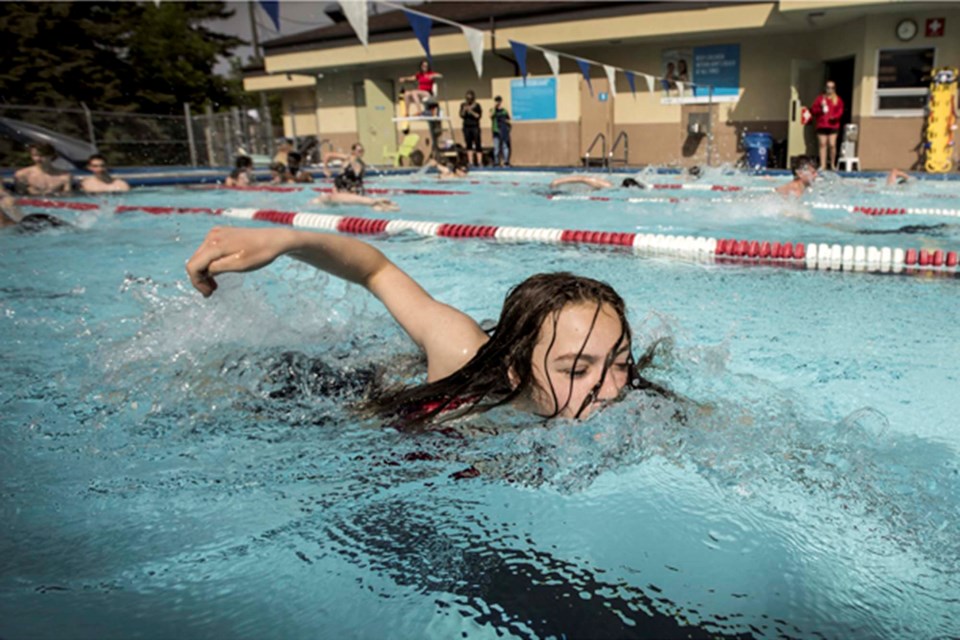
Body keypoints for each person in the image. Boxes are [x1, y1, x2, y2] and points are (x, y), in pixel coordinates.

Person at [185, 227, 674, 427]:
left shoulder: (627, 395)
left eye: (619, 362)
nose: (608, 390)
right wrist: (284, 240)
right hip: (336, 393)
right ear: (515, 372)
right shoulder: (463, 352)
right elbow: (376, 271)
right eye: (576, 370)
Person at [316, 143, 398, 211]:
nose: (361, 153)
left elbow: (359, 181)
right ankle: (377, 203)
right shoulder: (347, 158)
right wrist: (325, 168)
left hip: (352, 190)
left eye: (362, 151)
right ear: (353, 151)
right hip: (340, 189)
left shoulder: (362, 165)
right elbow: (328, 155)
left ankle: (383, 206)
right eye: (359, 151)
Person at [810, 80, 844, 171]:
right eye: (828, 87)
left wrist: (835, 117)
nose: (830, 89)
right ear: (825, 88)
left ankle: (832, 164)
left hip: (833, 125)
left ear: (834, 89)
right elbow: (813, 110)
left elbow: (840, 111)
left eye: (832, 88)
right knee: (822, 144)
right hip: (822, 125)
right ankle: (823, 165)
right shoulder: (820, 99)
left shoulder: (838, 100)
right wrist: (820, 108)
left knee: (832, 144)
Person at [459, 90, 483, 166]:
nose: (468, 100)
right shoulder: (463, 105)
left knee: (477, 144)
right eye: (467, 99)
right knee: (468, 144)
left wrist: (471, 111)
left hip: (475, 126)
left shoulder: (477, 105)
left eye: (470, 98)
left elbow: (478, 116)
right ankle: (470, 162)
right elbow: (461, 115)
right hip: (466, 127)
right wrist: (464, 109)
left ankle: (479, 162)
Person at [491, 96, 512, 167]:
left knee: (505, 146)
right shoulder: (492, 110)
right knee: (496, 147)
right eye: (496, 101)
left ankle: (506, 161)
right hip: (496, 131)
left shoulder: (504, 111)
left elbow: (508, 119)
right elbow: (490, 115)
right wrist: (495, 108)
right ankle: (496, 162)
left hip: (503, 131)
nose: (497, 102)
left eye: (499, 101)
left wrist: (507, 127)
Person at [548, 176, 645, 191]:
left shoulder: (613, 188)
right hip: (569, 191)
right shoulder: (607, 185)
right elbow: (583, 178)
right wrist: (558, 181)